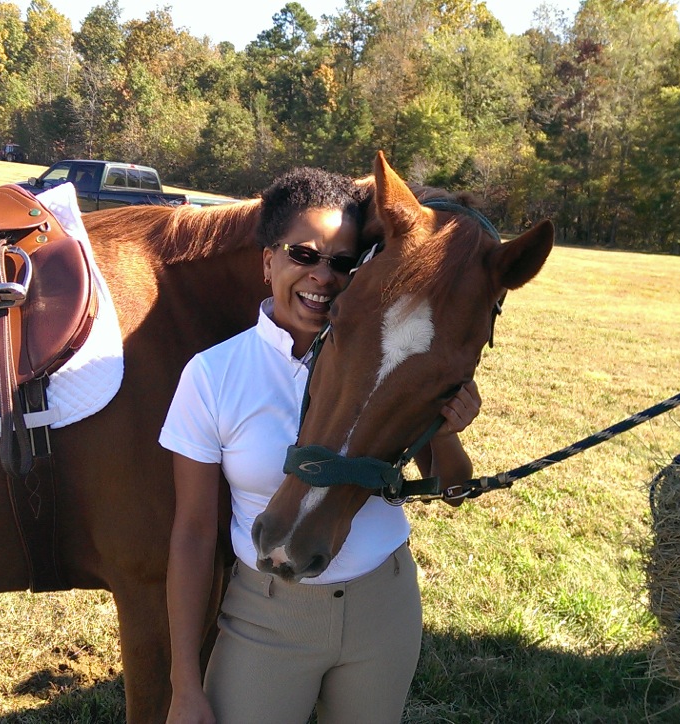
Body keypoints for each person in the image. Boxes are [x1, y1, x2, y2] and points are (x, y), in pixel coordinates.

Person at [160, 167, 481, 724]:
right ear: (268, 261)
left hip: (383, 605)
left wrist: (448, 430)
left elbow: (453, 488)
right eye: (303, 255)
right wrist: (184, 682)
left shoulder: (393, 360)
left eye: (343, 262)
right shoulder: (213, 375)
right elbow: (192, 532)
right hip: (267, 614)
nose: (323, 276)